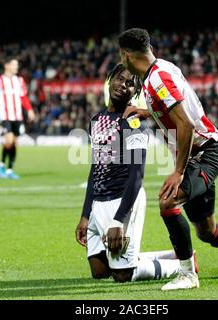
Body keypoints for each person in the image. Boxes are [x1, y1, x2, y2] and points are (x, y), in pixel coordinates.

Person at [118, 28, 218, 291]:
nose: (121, 61)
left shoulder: (157, 79)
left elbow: (185, 124)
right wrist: (144, 112)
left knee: (167, 200)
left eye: (121, 56)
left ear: (127, 55)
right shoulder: (162, 69)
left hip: (205, 152)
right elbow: (173, 111)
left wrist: (177, 171)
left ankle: (188, 274)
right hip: (199, 153)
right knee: (207, 231)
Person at [75, 64, 185, 283]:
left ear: (135, 92)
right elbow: (94, 169)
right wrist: (86, 214)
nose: (122, 86)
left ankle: (180, 265)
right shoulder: (96, 120)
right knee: (99, 271)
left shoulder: (134, 123)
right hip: (99, 202)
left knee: (123, 275)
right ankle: (172, 256)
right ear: (110, 79)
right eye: (120, 79)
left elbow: (136, 175)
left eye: (130, 84)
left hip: (123, 199)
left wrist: (118, 220)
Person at [0, 58, 36, 180]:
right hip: (5, 116)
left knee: (14, 143)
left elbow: (23, 97)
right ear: (6, 65)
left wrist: (29, 110)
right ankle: (1, 165)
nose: (16, 67)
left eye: (17, 65)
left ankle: (9, 169)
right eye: (14, 65)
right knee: (9, 140)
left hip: (17, 116)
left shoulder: (20, 81)